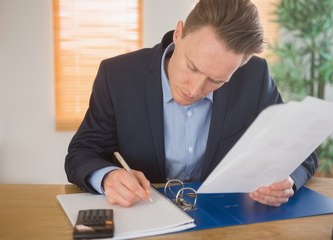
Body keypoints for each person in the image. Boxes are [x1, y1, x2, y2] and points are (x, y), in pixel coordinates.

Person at [65, 0, 317, 208]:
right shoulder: (117, 75)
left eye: (217, 80)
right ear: (179, 33)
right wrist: (107, 176)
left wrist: (288, 180)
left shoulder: (255, 76)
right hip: (143, 215)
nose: (194, 89)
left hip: (227, 220)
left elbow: (300, 150)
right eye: (192, 67)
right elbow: (82, 152)